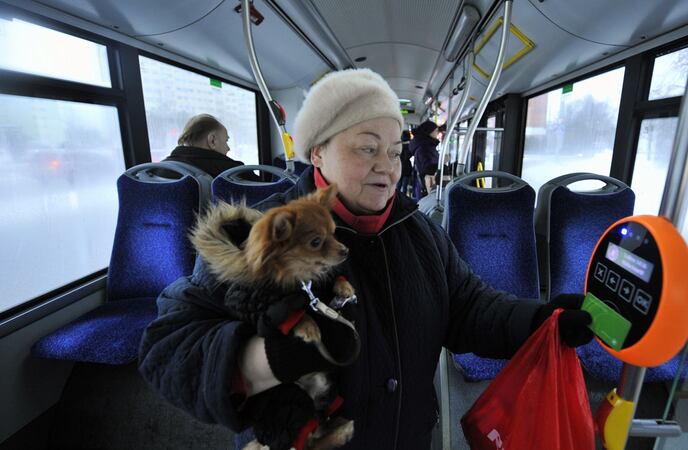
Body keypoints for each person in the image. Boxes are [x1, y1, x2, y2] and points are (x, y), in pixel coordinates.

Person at [138, 68, 593, 450]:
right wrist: (268, 359)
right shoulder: (262, 235)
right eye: (367, 147)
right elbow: (168, 347)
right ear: (318, 151)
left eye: (395, 152)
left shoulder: (420, 233)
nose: (388, 166)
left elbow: (469, 306)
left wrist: (540, 321)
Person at [161, 114, 258, 180]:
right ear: (212, 140)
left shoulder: (157, 169)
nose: (228, 148)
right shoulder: (234, 172)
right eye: (226, 141)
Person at [409, 120, 441, 195]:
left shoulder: (423, 146)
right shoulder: (425, 148)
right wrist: (442, 162)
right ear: (429, 132)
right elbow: (428, 169)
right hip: (428, 187)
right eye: (436, 130)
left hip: (423, 185)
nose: (437, 133)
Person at [397, 130, 412, 195]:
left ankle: (396, 198)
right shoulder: (410, 145)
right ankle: (403, 198)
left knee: (399, 184)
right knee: (405, 185)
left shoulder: (398, 144)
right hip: (407, 167)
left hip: (399, 166)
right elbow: (409, 155)